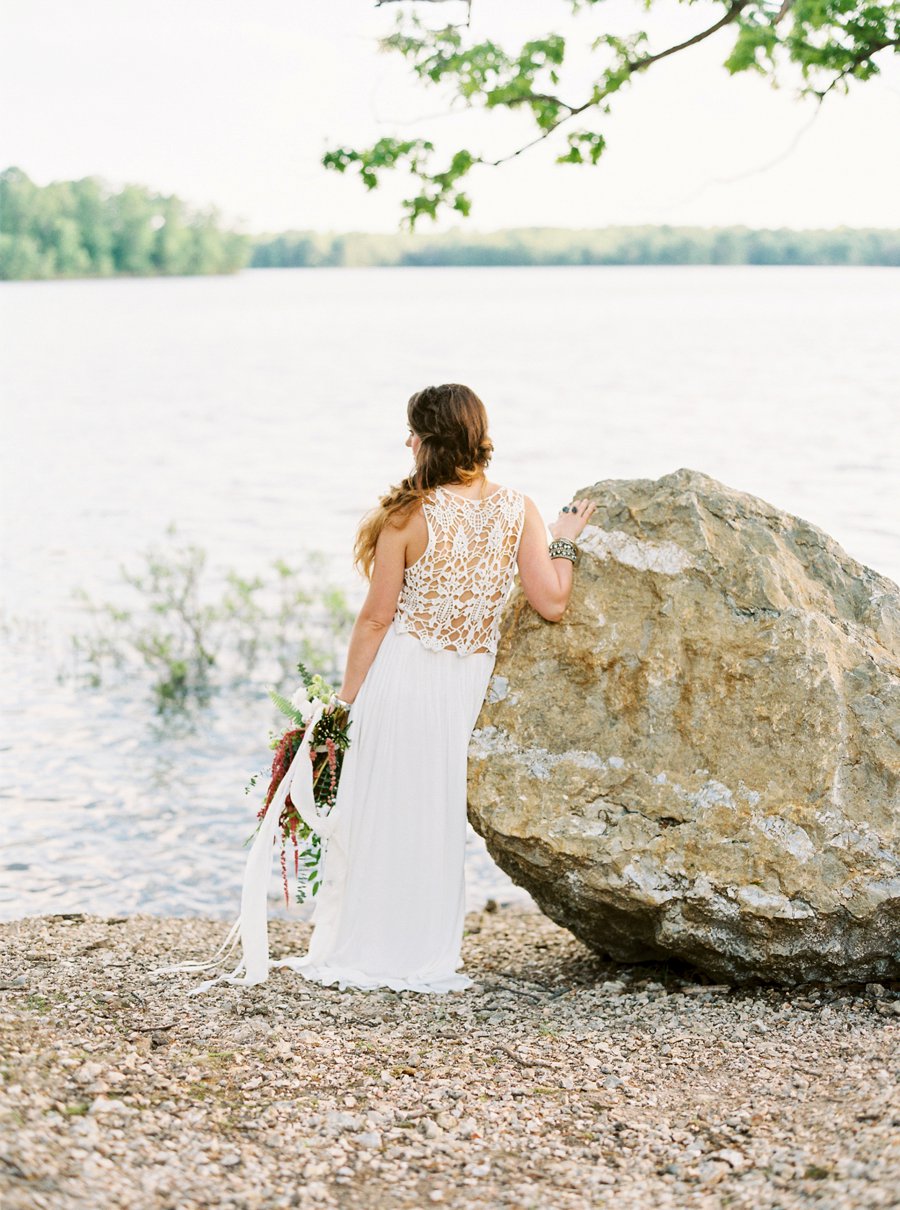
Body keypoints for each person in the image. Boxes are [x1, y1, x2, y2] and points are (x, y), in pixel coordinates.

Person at [273, 382, 596, 994]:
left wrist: (345, 704)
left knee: (386, 812)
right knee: (435, 815)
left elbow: (374, 619)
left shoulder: (407, 516)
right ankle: (421, 949)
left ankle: (369, 943)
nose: (407, 440)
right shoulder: (519, 509)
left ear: (429, 440)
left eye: (413, 430)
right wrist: (564, 540)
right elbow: (553, 601)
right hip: (461, 685)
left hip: (401, 677)